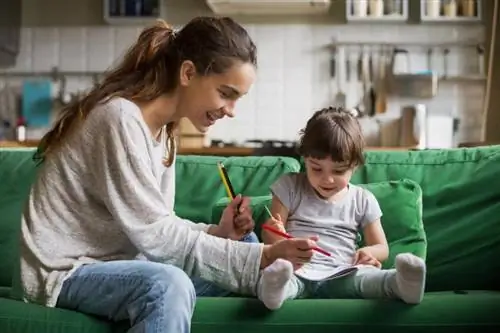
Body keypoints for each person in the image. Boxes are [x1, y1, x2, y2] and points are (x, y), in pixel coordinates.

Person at [19, 17, 319, 333]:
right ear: (188, 73)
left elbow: (159, 223)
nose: (231, 110)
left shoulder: (165, 133)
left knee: (245, 244)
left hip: (126, 265)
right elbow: (157, 236)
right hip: (65, 272)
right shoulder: (119, 119)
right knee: (168, 284)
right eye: (225, 93)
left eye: (237, 99)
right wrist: (262, 255)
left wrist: (219, 233)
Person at [257, 106, 427, 310]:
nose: (327, 179)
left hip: (343, 272)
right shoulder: (289, 187)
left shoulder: (363, 199)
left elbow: (382, 248)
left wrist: (368, 252)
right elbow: (270, 237)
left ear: (354, 166)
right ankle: (274, 290)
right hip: (297, 269)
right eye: (316, 168)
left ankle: (401, 284)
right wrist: (274, 233)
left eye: (338, 171)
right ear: (305, 159)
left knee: (368, 279)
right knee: (280, 275)